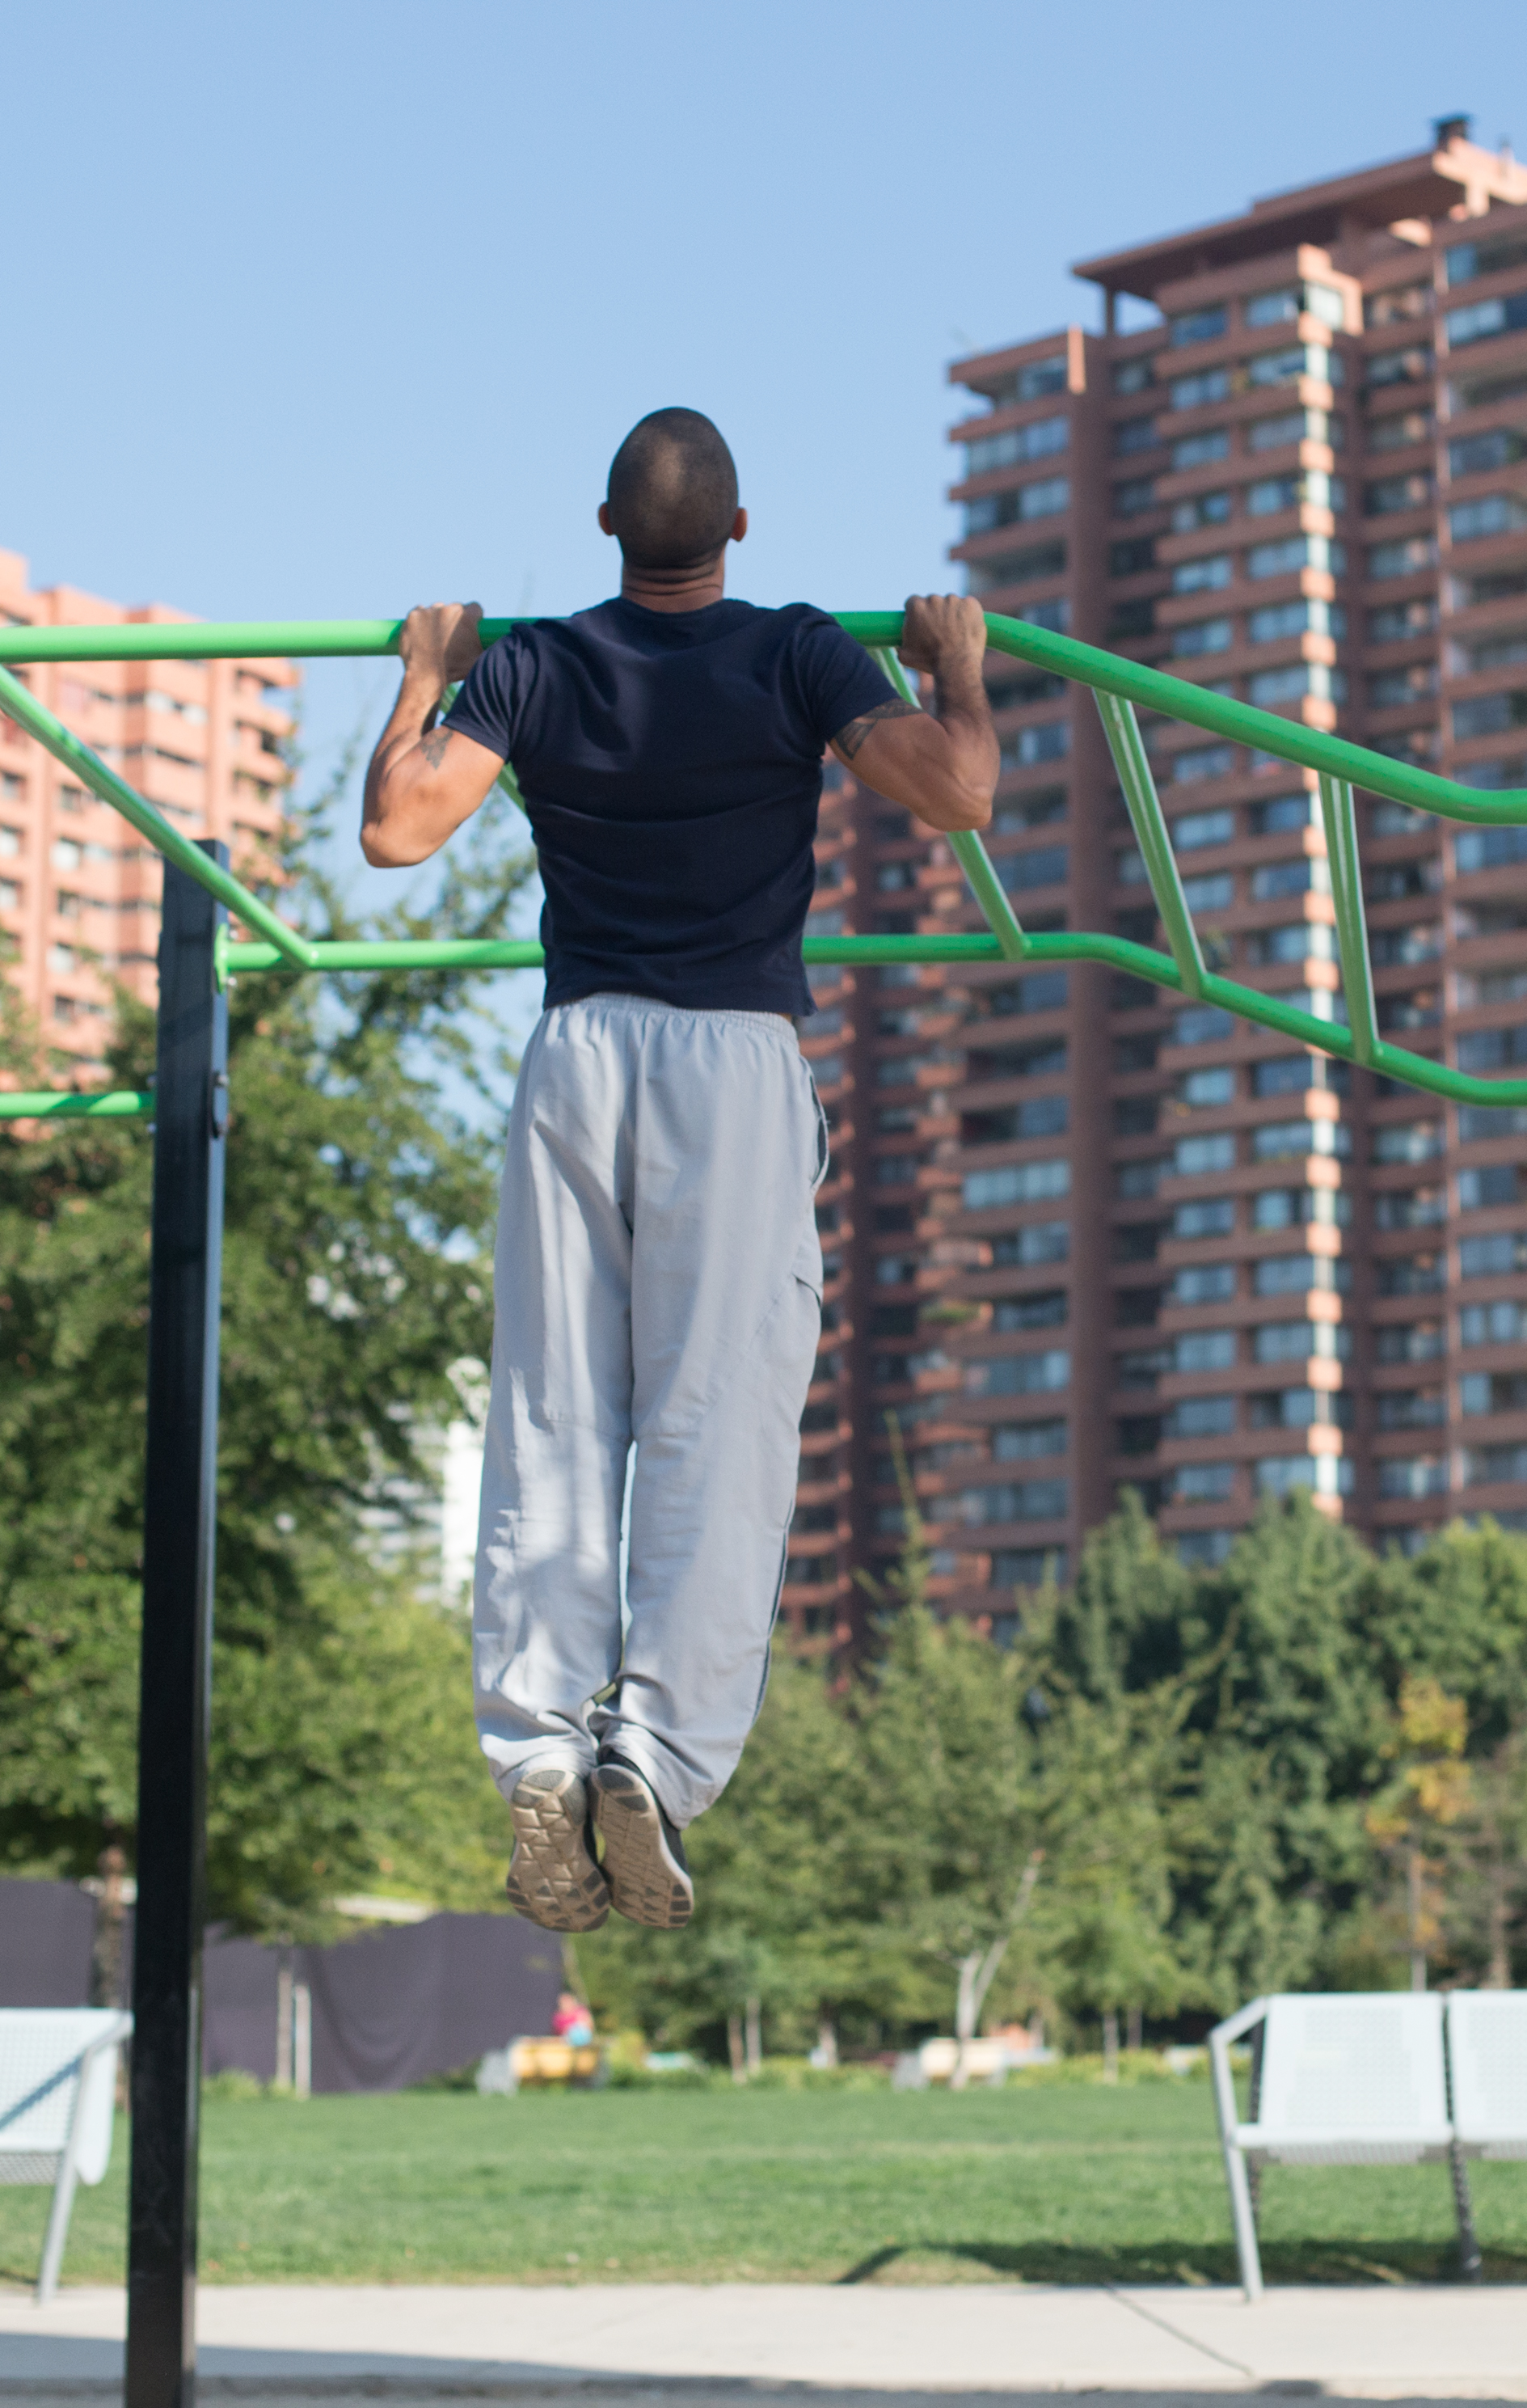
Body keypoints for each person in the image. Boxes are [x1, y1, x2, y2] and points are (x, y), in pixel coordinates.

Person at [361, 408, 999, 1932]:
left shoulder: (539, 661)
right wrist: (955, 663)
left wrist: (423, 674)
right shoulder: (794, 655)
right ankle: (654, 1749)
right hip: (732, 1062)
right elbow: (962, 790)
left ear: (602, 528)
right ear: (741, 531)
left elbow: (395, 831)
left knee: (552, 1409)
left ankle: (536, 1747)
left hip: (578, 1053)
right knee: (718, 1417)